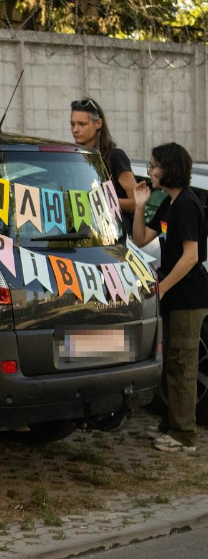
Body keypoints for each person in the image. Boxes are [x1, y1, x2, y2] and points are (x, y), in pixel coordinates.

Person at [132, 142, 208, 452]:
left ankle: (184, 437)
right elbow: (140, 238)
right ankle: (170, 425)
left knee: (183, 366)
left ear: (169, 168)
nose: (150, 171)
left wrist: (162, 287)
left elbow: (191, 256)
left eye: (154, 166)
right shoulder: (168, 203)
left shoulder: (188, 204)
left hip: (189, 298)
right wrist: (139, 205)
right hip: (173, 298)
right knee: (169, 364)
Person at [70, 98, 138, 232]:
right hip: (83, 235)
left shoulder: (115, 157)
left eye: (82, 124)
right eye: (72, 124)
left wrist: (100, 202)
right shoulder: (73, 159)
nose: (75, 130)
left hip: (114, 238)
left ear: (98, 123)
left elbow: (136, 202)